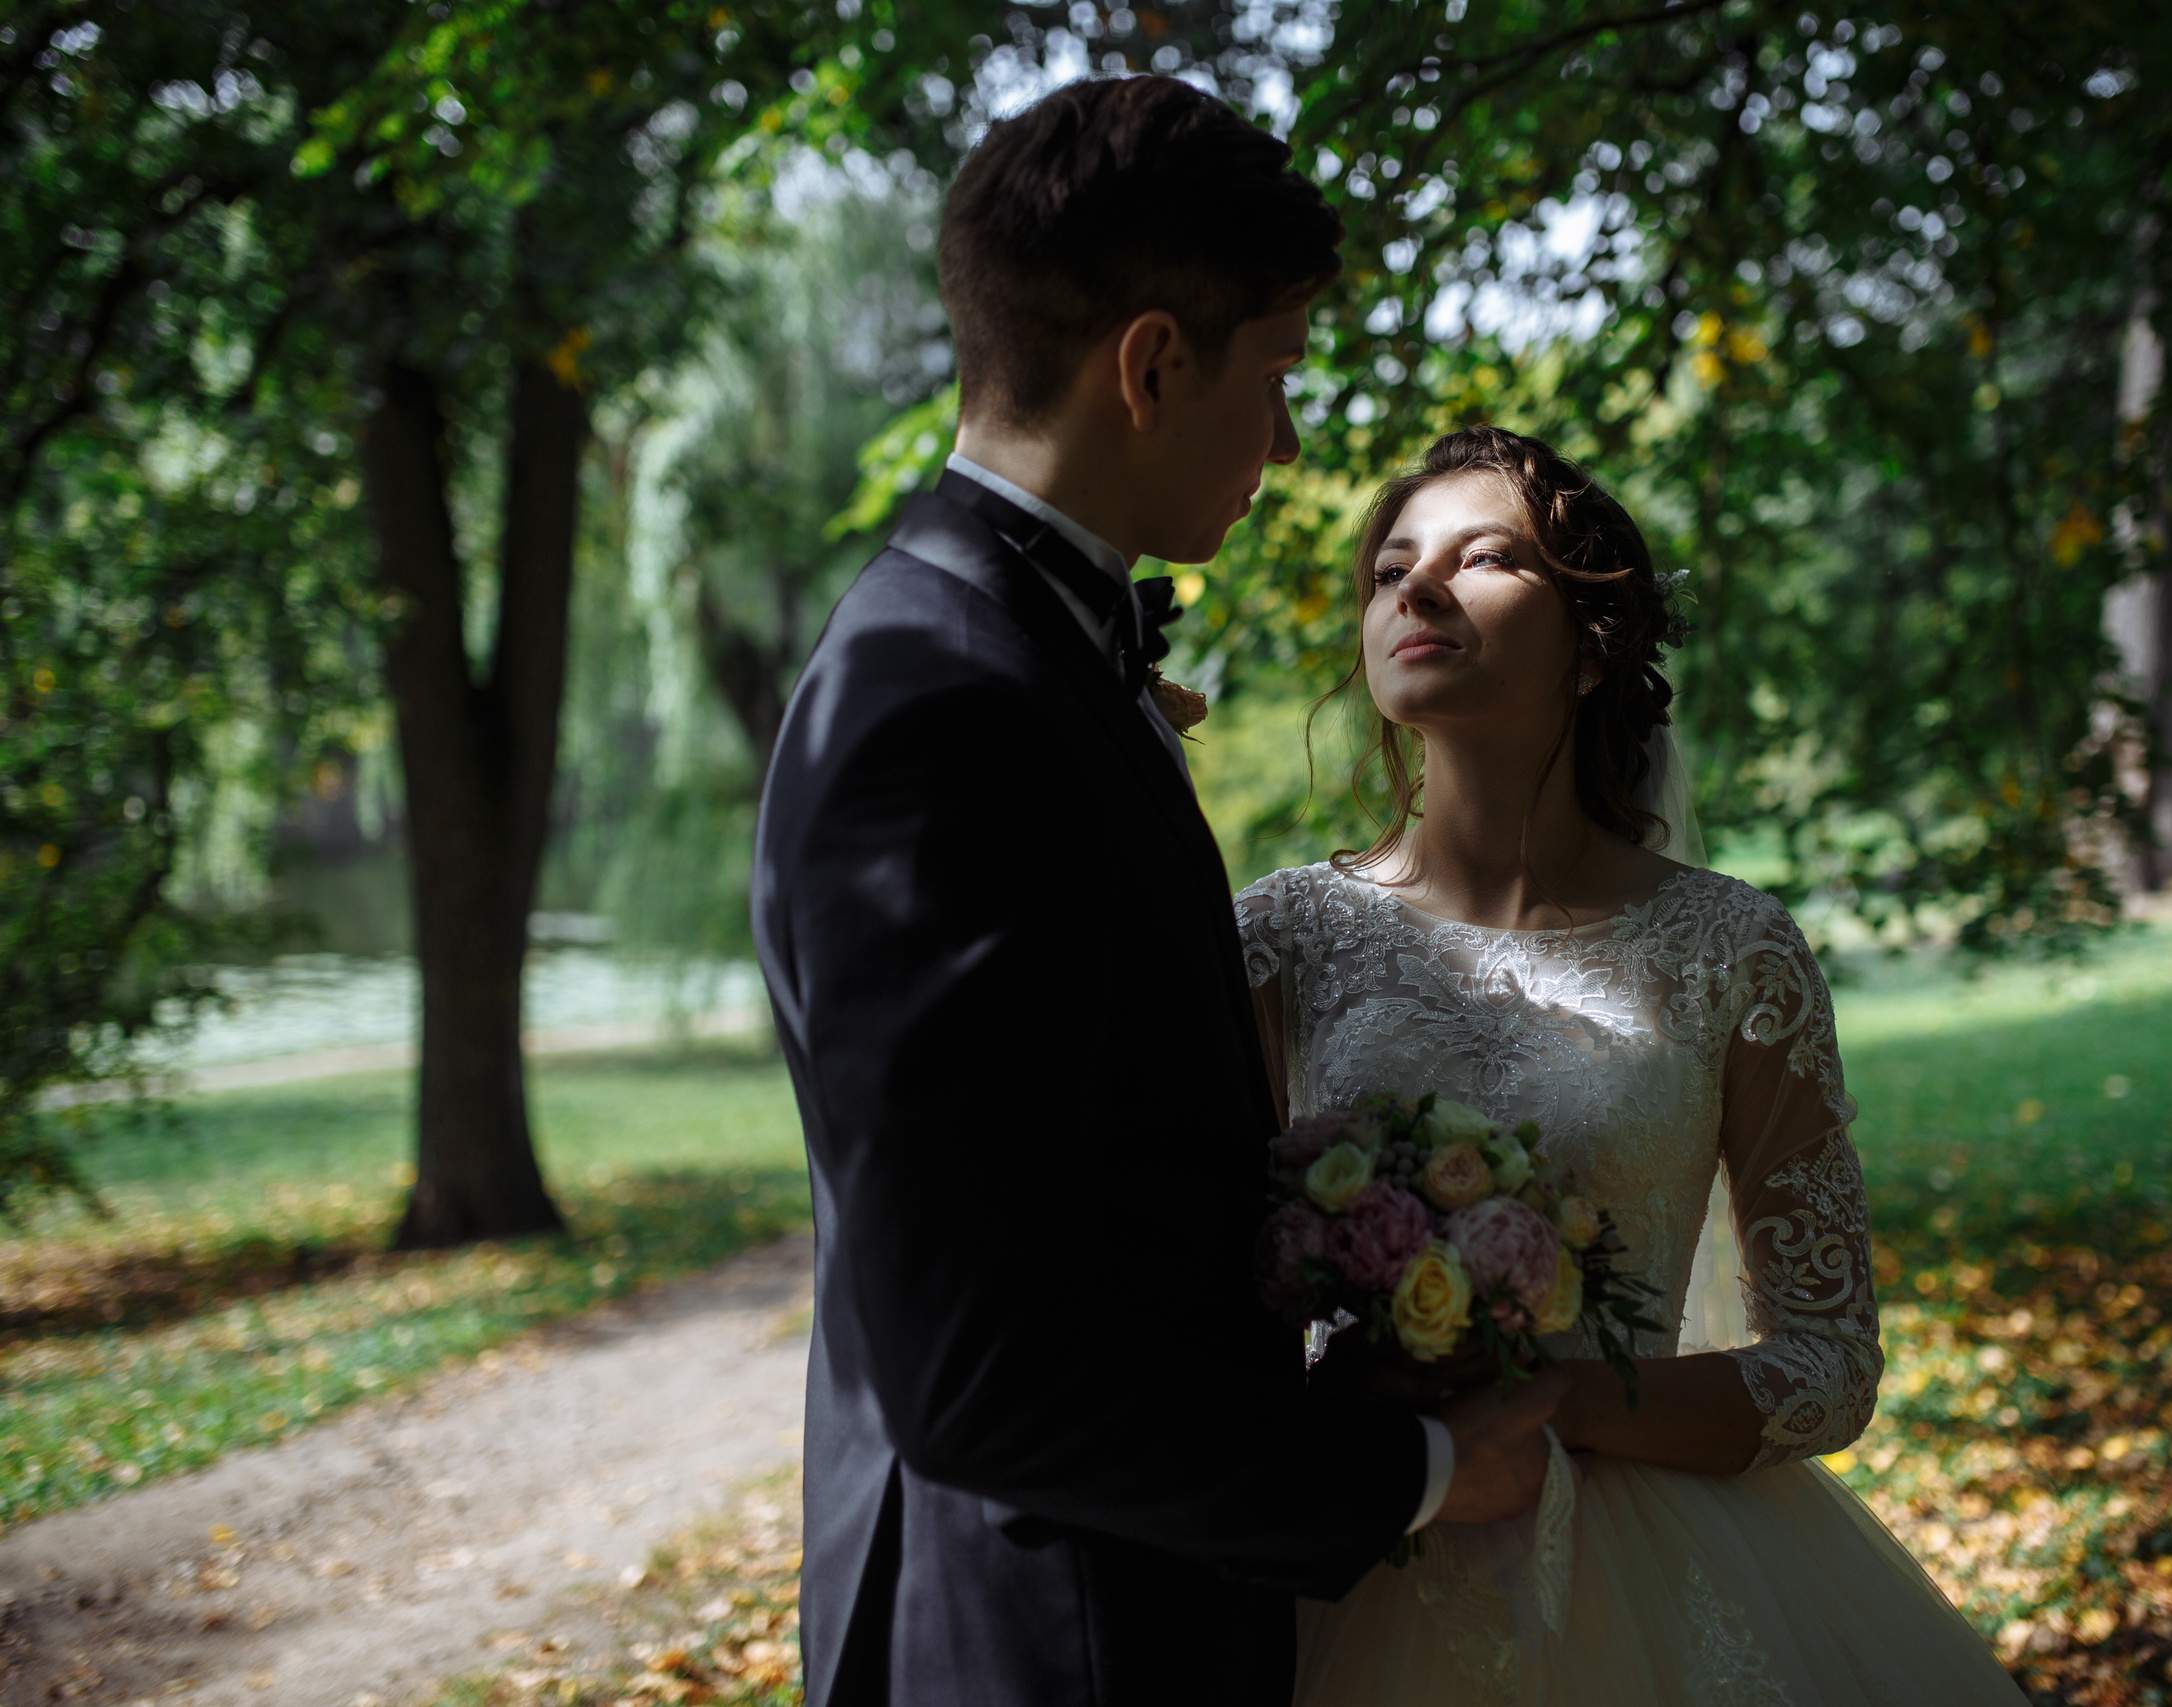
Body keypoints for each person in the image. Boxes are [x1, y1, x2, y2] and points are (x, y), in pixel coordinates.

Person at [751, 79, 1564, 1707]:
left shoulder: (1004, 658)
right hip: (1049, 1639)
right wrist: (1409, 1469)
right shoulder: (947, 709)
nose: (1285, 438)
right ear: (1149, 364)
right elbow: (981, 1376)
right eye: (1273, 373)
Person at [1236, 425, 2028, 1704]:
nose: (1417, 590)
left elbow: (1828, 1364)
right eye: (1390, 571)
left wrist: (1554, 1402)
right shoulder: (1279, 939)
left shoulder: (1733, 952)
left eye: (1480, 557)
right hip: (1347, 1553)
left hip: (1653, 1578)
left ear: (1594, 638)